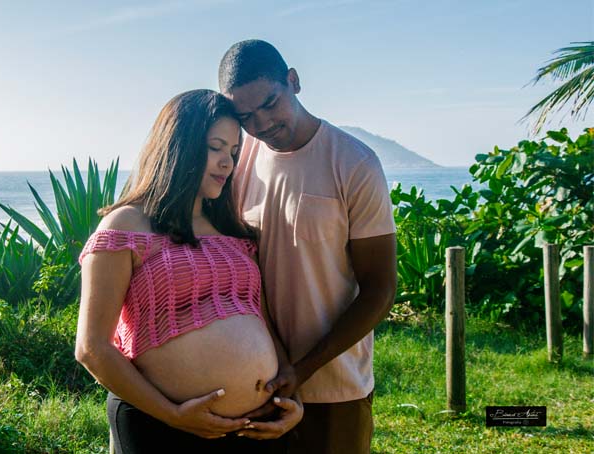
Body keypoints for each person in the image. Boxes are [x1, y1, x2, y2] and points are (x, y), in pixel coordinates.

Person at [75, 89, 302, 454]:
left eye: (233, 152)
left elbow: (257, 319)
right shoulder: (127, 225)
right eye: (215, 147)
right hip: (161, 428)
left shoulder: (232, 232)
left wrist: (289, 399)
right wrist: (173, 414)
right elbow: (92, 348)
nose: (228, 163)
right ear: (178, 145)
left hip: (254, 429)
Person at [218, 40, 398, 454]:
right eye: (246, 117)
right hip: (254, 385)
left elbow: (380, 289)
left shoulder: (355, 163)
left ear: (294, 82)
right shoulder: (238, 164)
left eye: (270, 104)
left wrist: (302, 369)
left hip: (336, 388)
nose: (261, 124)